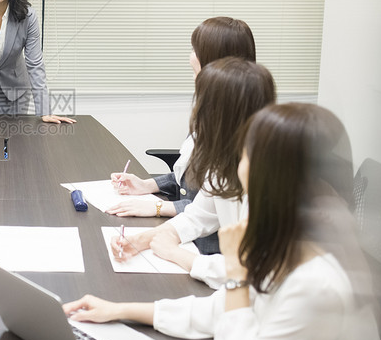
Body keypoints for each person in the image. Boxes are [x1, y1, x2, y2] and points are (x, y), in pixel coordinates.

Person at [63, 103, 381, 340]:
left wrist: (235, 274)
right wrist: (118, 309)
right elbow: (218, 312)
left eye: (246, 155)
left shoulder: (317, 282)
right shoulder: (291, 238)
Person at [113, 57, 275, 288]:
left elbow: (248, 272)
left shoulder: (267, 180)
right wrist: (142, 240)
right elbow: (198, 215)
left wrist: (177, 254)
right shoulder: (226, 162)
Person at [110, 16, 256, 220]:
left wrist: (159, 208)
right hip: (187, 227)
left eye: (196, 51)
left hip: (207, 245)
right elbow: (190, 177)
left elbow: (215, 208)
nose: (190, 57)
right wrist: (147, 185)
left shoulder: (237, 126)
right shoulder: (210, 108)